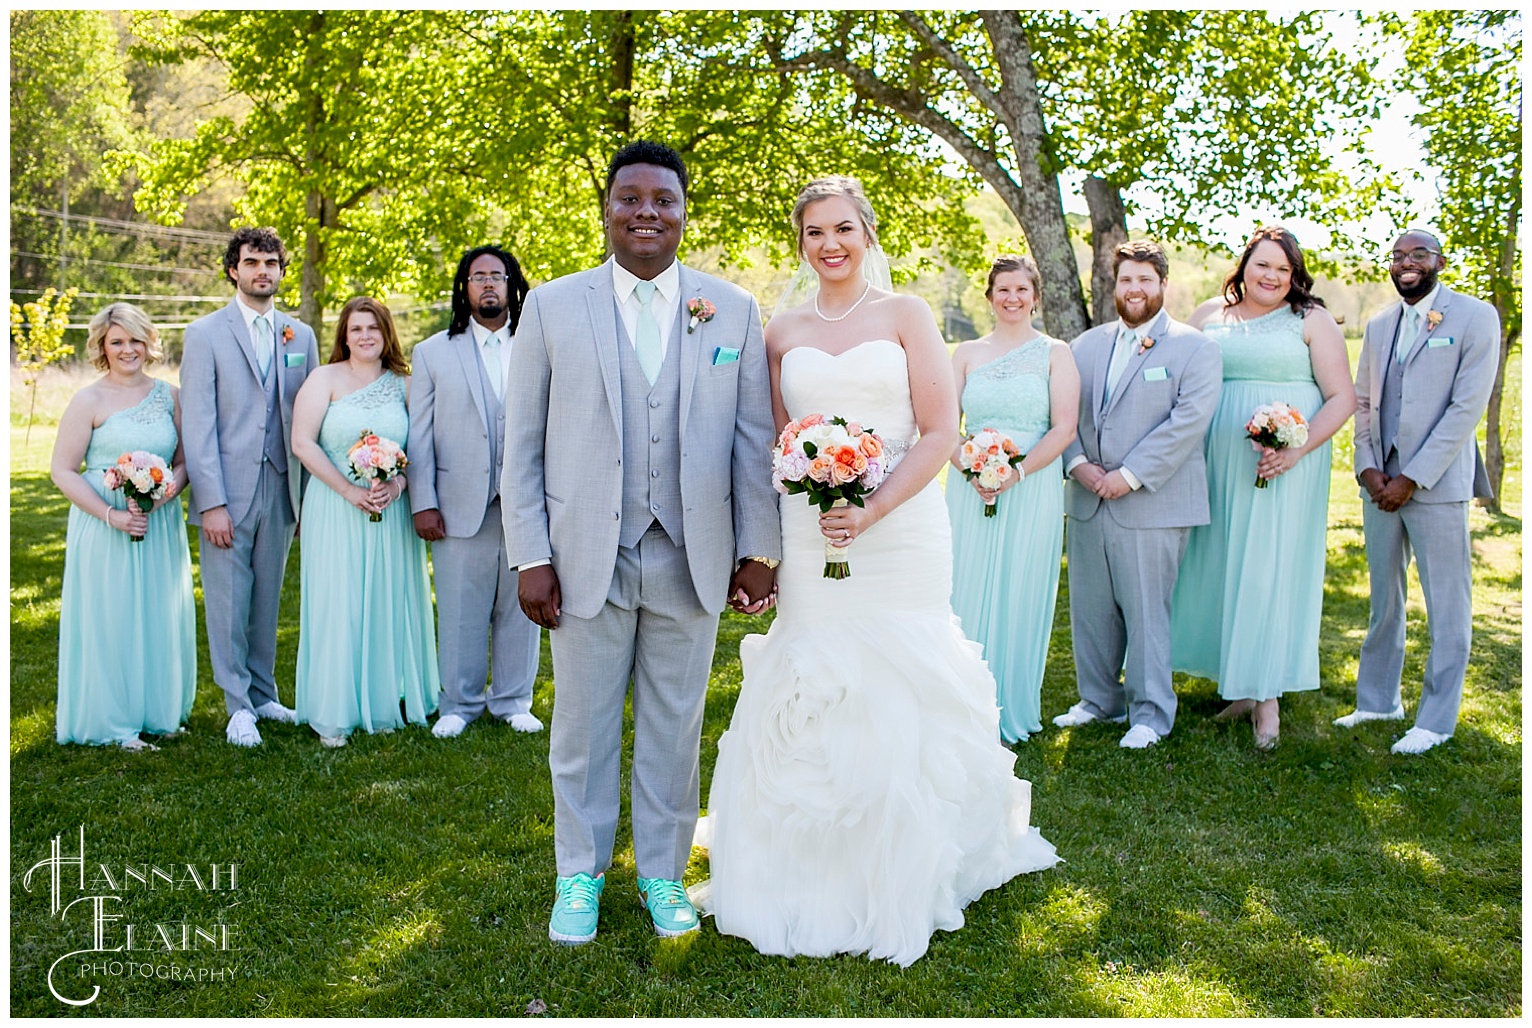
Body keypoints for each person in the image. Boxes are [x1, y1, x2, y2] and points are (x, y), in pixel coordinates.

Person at [695, 177, 1058, 969]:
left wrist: (871, 507)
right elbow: (770, 436)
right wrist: (796, 523)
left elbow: (937, 432)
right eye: (815, 232)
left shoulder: (907, 315)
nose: (830, 244)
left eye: (844, 229)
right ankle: (802, 867)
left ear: (867, 233)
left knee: (901, 673)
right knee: (815, 670)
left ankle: (913, 863)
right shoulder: (778, 329)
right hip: (808, 522)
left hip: (902, 525)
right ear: (800, 243)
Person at [502, 141, 781, 945]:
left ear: (684, 210)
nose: (647, 211)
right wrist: (530, 555)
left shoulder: (731, 308)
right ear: (608, 209)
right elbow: (520, 445)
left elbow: (750, 433)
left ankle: (662, 874)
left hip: (691, 554)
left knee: (674, 724)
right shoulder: (553, 305)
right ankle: (579, 877)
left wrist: (758, 547)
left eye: (664, 198)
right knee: (581, 728)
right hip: (584, 551)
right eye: (631, 198)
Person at [1168, 226, 1356, 750]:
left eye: (1283, 269)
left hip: (1285, 464)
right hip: (1218, 462)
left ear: (1294, 276)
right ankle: (1242, 685)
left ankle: (1267, 695)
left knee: (1270, 568)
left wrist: (1295, 450)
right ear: (1243, 267)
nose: (1272, 276)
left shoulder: (1312, 320)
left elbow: (1341, 397)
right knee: (1226, 563)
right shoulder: (1207, 317)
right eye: (1263, 265)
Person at [1336, 229, 1499, 755]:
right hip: (1380, 484)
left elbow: (1465, 408)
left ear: (1440, 262)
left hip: (1436, 483)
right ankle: (1378, 700)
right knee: (1385, 600)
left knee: (1446, 604)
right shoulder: (1380, 322)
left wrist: (1414, 477)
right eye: (1399, 256)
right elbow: (1363, 402)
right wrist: (1367, 468)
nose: (1407, 263)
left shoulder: (1475, 317)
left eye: (1419, 255)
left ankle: (1436, 720)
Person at [1054, 240, 1222, 749]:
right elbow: (1062, 414)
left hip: (1153, 499)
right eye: (1126, 280)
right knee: (1091, 607)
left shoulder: (1196, 347)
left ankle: (1150, 714)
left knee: (1148, 610)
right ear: (1113, 285)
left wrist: (1127, 476)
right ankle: (1099, 701)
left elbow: (1188, 422)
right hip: (1089, 497)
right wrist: (1078, 464)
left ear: (1163, 286)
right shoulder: (1084, 347)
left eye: (1146, 280)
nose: (1135, 289)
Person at [181, 227, 320, 746]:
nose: (263, 271)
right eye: (252, 262)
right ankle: (237, 704)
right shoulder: (205, 334)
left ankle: (263, 693)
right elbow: (198, 424)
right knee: (228, 599)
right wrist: (211, 502)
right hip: (228, 491)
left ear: (282, 270)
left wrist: (305, 499)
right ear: (233, 270)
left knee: (267, 597)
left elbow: (307, 416)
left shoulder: (298, 336)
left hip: (283, 487)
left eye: (271, 262)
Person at [289, 297, 440, 746]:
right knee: (340, 600)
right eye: (356, 329)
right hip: (335, 506)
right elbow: (303, 443)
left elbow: (423, 451)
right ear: (344, 335)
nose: (365, 336)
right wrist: (349, 490)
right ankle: (335, 708)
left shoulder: (406, 386)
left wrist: (394, 488)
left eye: (373, 328)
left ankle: (384, 698)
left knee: (389, 598)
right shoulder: (324, 379)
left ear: (387, 332)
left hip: (389, 511)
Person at [409, 246, 544, 739]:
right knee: (461, 608)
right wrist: (423, 500)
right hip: (457, 502)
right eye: (477, 276)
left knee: (522, 603)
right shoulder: (431, 353)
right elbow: (419, 434)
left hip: (529, 501)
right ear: (463, 288)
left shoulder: (538, 342)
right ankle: (459, 702)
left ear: (511, 284)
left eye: (497, 275)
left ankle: (513, 699)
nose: (488, 284)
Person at [946, 255, 1080, 744]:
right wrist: (971, 471)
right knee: (963, 588)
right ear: (989, 297)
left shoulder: (1055, 352)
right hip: (969, 488)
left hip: (1032, 486)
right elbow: (940, 426)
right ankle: (958, 703)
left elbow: (1064, 427)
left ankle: (1010, 705)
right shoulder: (965, 354)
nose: (1012, 298)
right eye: (1003, 289)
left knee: (1020, 587)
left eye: (1022, 289)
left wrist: (1015, 472)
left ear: (1035, 296)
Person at [51, 303, 196, 748]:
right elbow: (63, 470)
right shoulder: (88, 399)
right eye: (117, 341)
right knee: (111, 616)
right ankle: (113, 723)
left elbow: (185, 461)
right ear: (101, 346)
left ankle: (157, 711)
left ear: (149, 342)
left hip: (159, 521)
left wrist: (164, 495)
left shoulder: (171, 396)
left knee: (157, 613)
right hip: (104, 523)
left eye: (135, 340)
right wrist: (112, 515)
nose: (127, 349)